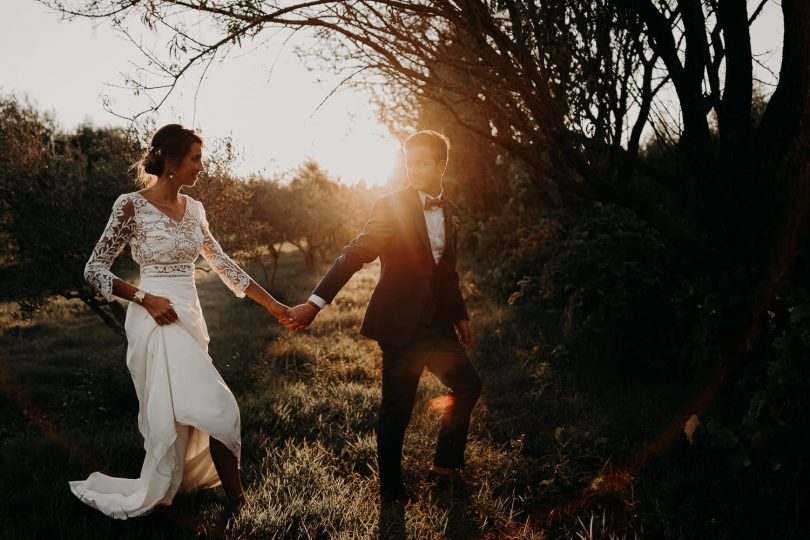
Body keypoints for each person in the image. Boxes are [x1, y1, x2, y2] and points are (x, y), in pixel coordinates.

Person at [70, 124, 289, 519]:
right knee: (220, 408)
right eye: (195, 159)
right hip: (155, 318)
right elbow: (94, 269)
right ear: (171, 161)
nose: (201, 167)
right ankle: (238, 502)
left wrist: (273, 305)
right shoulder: (130, 205)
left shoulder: (196, 210)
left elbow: (222, 263)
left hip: (188, 315)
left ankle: (179, 487)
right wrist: (145, 298)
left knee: (185, 406)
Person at [285, 130, 482, 505]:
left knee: (469, 386)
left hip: (440, 328)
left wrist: (460, 315)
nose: (415, 169)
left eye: (423, 163)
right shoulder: (391, 205)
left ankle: (444, 467)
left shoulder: (450, 210)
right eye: (410, 163)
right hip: (401, 328)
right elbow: (354, 254)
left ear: (442, 165)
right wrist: (314, 303)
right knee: (397, 411)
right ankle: (392, 491)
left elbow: (447, 271)